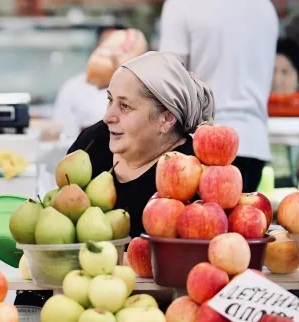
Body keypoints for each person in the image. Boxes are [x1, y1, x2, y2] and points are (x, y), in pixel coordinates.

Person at [15, 51, 214, 307]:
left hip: (143, 315)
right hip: (63, 299)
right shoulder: (94, 143)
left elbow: (190, 278)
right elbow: (59, 220)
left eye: (125, 106)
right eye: (109, 100)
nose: (109, 116)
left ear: (166, 118)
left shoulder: (190, 172)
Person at [160, 0, 278, 193]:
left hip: (201, 144)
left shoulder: (182, 4)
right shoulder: (265, 6)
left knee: (199, 221)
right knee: (240, 220)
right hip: (253, 143)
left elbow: (168, 78)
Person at [52, 25, 126, 138]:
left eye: (119, 48)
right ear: (95, 49)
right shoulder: (73, 88)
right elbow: (65, 135)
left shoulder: (139, 88)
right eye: (108, 47)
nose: (113, 53)